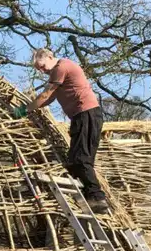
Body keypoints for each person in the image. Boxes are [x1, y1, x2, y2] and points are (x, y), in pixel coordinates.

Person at [28, 48, 109, 213]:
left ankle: (97, 197)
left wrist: (25, 109)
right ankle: (90, 197)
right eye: (38, 69)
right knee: (74, 160)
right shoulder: (57, 73)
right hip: (82, 117)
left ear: (50, 57)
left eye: (42, 66)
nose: (42, 70)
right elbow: (49, 98)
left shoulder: (61, 67)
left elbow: (46, 95)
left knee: (80, 159)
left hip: (86, 115)